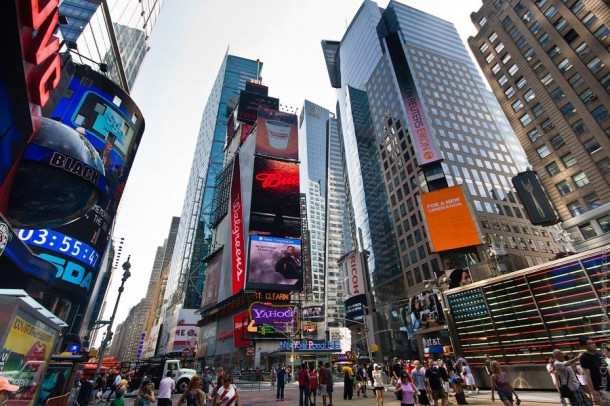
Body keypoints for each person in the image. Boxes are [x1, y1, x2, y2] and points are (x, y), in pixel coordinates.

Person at [579, 337, 610, 405]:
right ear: (584, 346)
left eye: (593, 343)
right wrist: (593, 393)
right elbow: (588, 376)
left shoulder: (599, 355)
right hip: (600, 389)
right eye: (590, 343)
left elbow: (606, 371)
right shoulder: (584, 358)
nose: (593, 344)